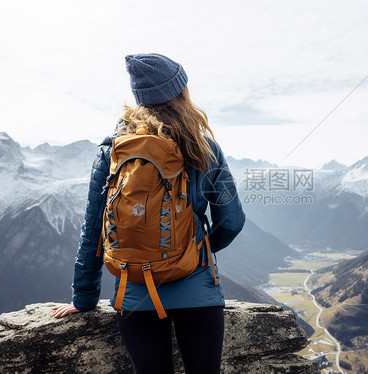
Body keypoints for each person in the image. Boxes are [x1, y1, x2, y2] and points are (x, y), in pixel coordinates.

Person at [53, 53, 245, 374]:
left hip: (134, 293)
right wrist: (193, 250)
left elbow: (94, 232)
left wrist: (84, 298)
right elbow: (231, 222)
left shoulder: (112, 151)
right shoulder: (204, 147)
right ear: (181, 93)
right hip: (197, 293)